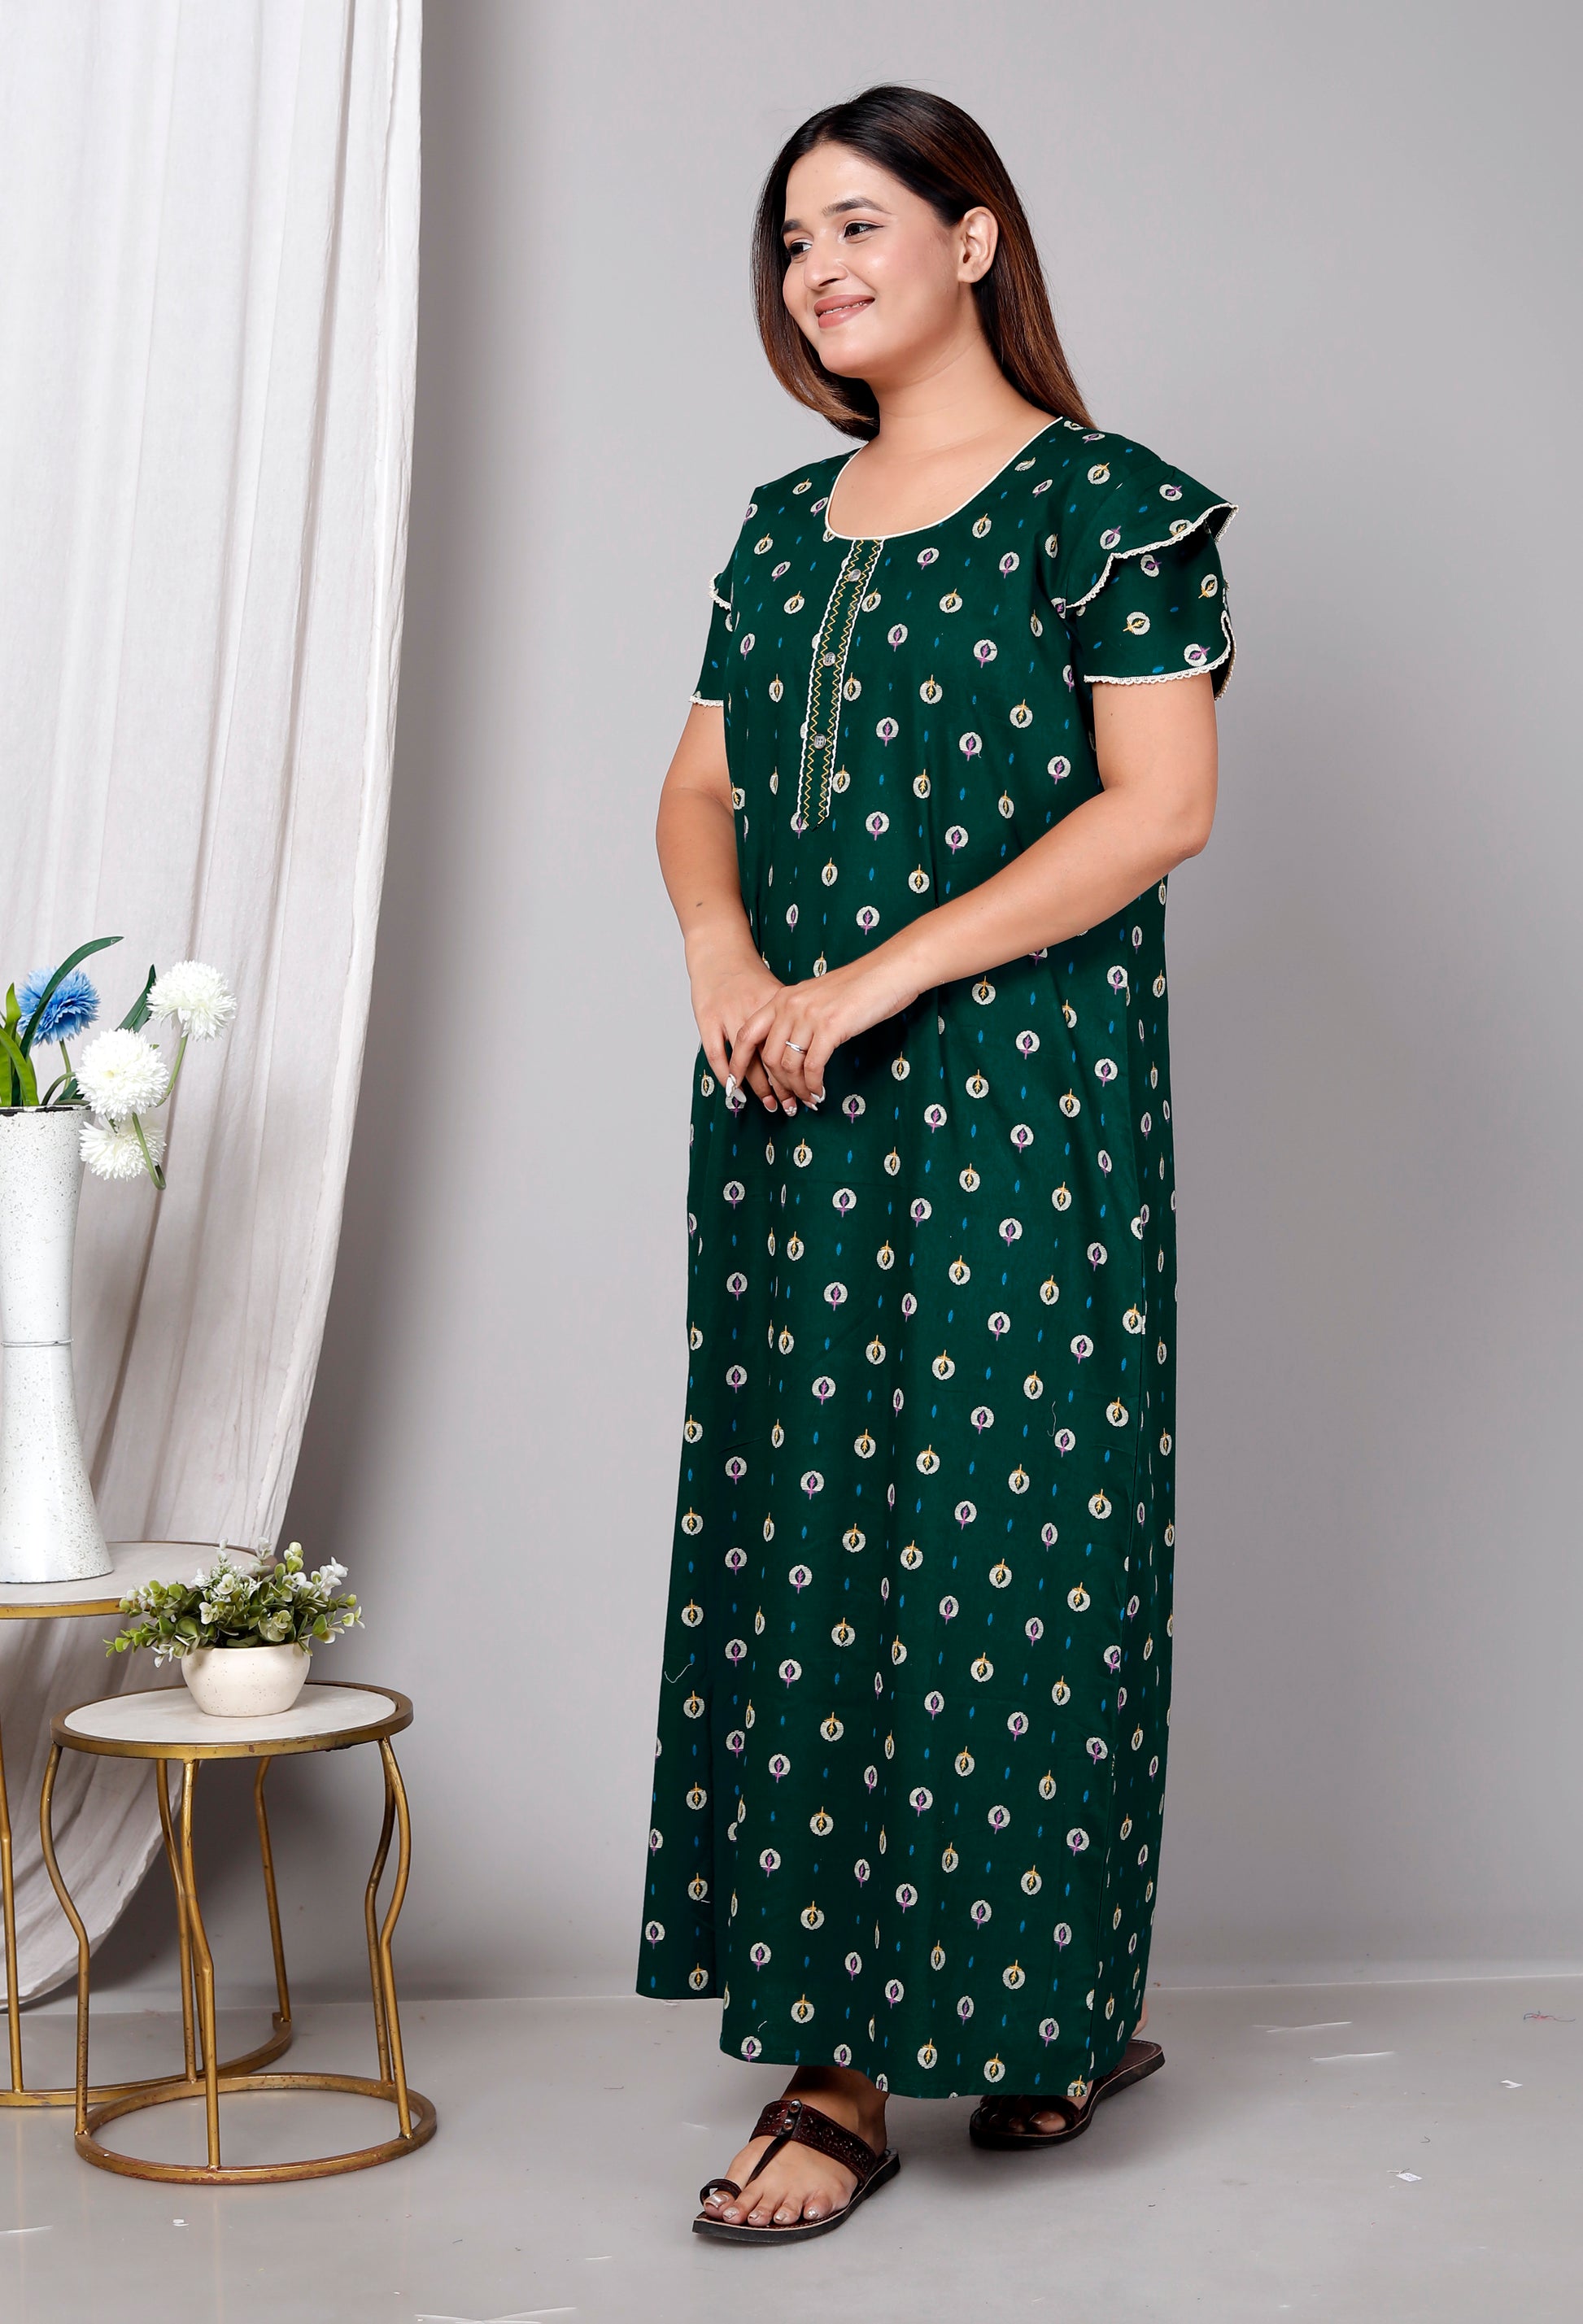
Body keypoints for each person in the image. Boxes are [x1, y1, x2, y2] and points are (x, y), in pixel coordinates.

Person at [639, 83, 1236, 2243]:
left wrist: (876, 975)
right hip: (796, 1113)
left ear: (974, 239)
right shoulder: (778, 528)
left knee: (1017, 1547)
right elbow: (695, 795)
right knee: (814, 1538)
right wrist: (728, 958)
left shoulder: (1110, 507)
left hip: (1019, 1108)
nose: (817, 267)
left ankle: (1046, 2004)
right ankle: (839, 2063)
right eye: (791, 239)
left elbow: (1156, 809)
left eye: (859, 223)